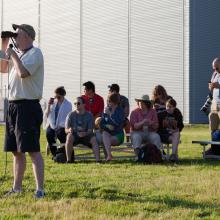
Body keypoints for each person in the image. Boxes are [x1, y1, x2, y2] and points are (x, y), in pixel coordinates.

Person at [4, 24, 45, 198]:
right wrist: (4, 44)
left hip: (27, 106)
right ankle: (17, 188)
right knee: (16, 150)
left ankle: (40, 190)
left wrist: (13, 54)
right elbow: (2, 68)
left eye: (18, 34)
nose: (15, 37)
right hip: (14, 106)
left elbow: (23, 73)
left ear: (28, 36)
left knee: (32, 150)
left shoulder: (35, 53)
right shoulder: (18, 56)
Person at [65, 97, 100, 163]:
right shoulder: (70, 115)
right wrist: (69, 130)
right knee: (69, 137)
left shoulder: (89, 115)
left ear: (84, 104)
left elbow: (90, 130)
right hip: (75, 135)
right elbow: (66, 129)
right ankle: (69, 160)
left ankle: (98, 160)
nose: (76, 105)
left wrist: (85, 133)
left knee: (94, 139)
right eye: (75, 103)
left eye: (78, 103)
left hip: (86, 135)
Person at [44, 86, 72, 157]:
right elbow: (47, 115)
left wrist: (61, 125)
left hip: (62, 125)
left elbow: (67, 118)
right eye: (55, 97)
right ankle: (55, 154)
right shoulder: (53, 103)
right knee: (49, 134)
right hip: (52, 124)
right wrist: (49, 105)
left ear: (63, 96)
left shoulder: (68, 104)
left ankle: (64, 152)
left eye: (59, 97)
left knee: (61, 134)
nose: (57, 99)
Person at [100, 93, 125, 161]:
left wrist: (110, 114)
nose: (107, 102)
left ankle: (108, 156)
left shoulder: (120, 111)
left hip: (118, 135)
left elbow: (117, 123)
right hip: (108, 135)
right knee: (104, 134)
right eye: (107, 101)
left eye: (109, 101)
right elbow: (101, 124)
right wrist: (106, 125)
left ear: (114, 102)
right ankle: (109, 156)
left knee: (106, 140)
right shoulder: (106, 111)